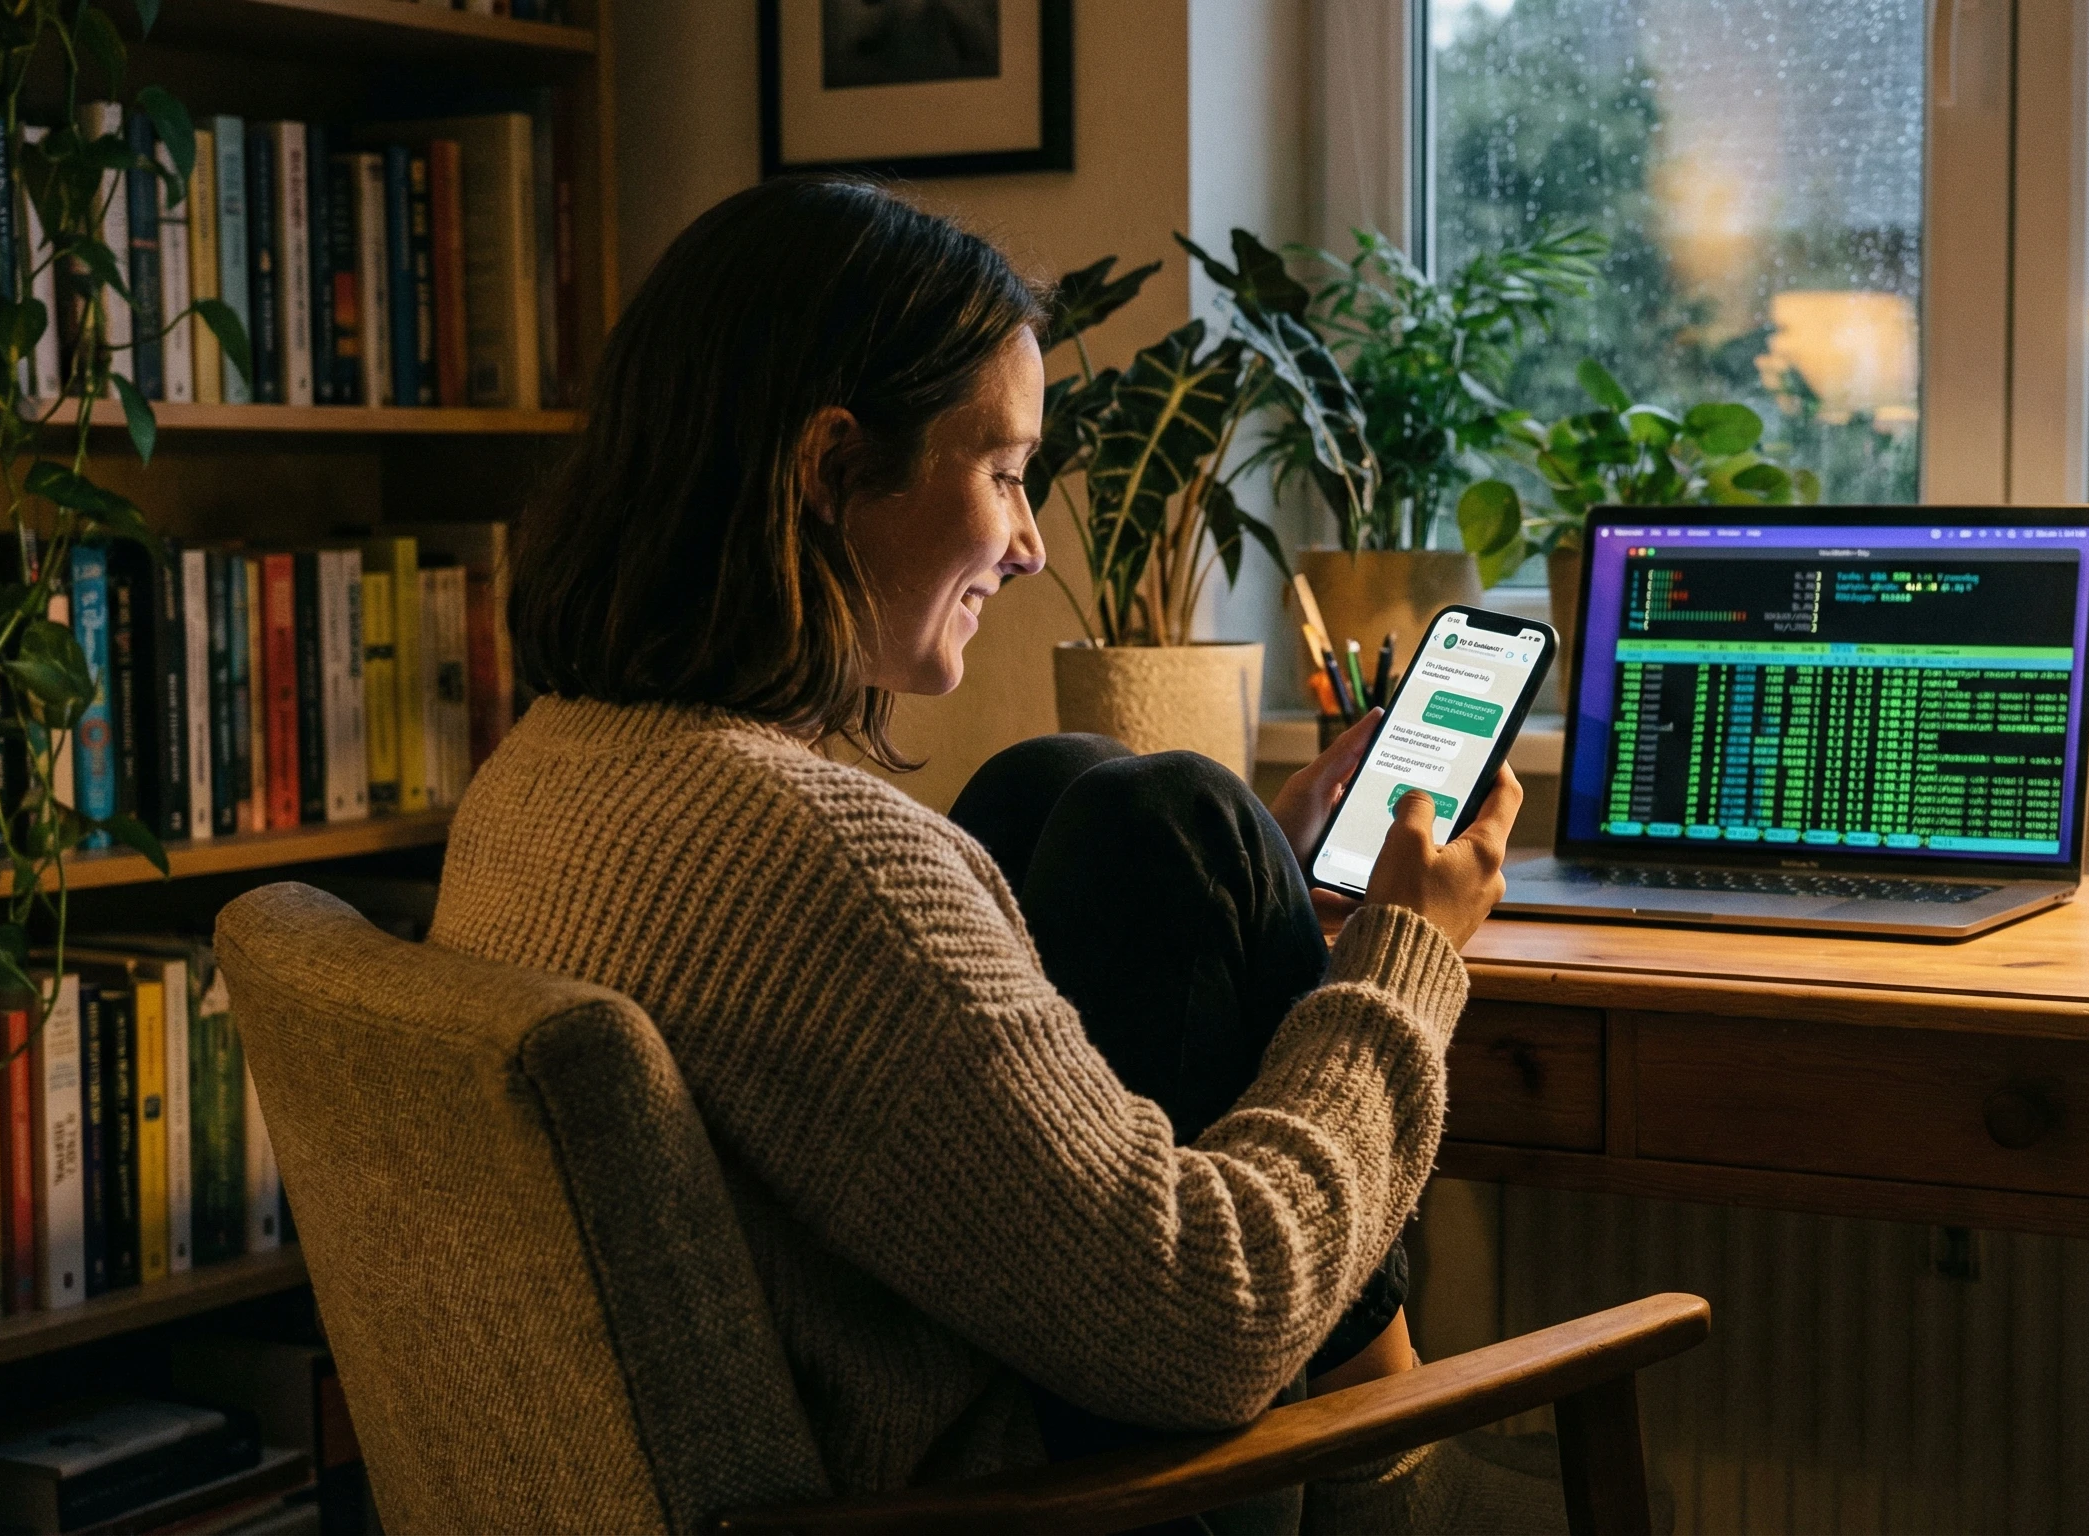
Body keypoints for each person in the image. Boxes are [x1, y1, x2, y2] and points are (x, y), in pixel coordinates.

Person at [428, 174, 1546, 1531]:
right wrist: (1405, 960)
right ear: (835, 470)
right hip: (1022, 1503)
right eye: (1008, 475)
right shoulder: (827, 869)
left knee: (1071, 788)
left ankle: (1388, 1431)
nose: (1026, 546)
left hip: (859, 1428)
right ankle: (1395, 1456)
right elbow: (1216, 1321)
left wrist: (1258, 868)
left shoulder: (545, 770)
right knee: (1177, 815)